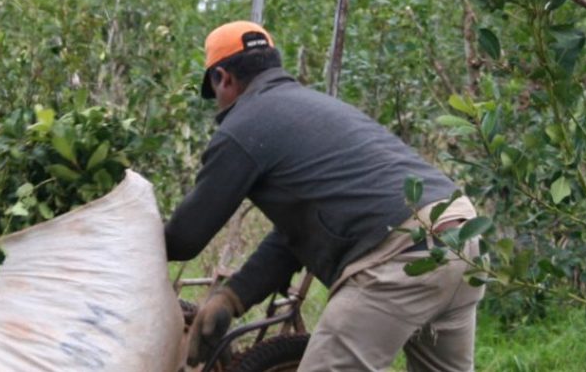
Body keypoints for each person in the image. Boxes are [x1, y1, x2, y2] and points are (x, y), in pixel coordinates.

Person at [164, 20, 484, 372]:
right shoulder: (317, 106)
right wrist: (233, 295)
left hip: (400, 256)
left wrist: (123, 239)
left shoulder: (242, 126)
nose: (218, 107)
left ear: (222, 77)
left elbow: (184, 239)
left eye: (216, 93)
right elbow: (298, 233)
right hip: (461, 236)